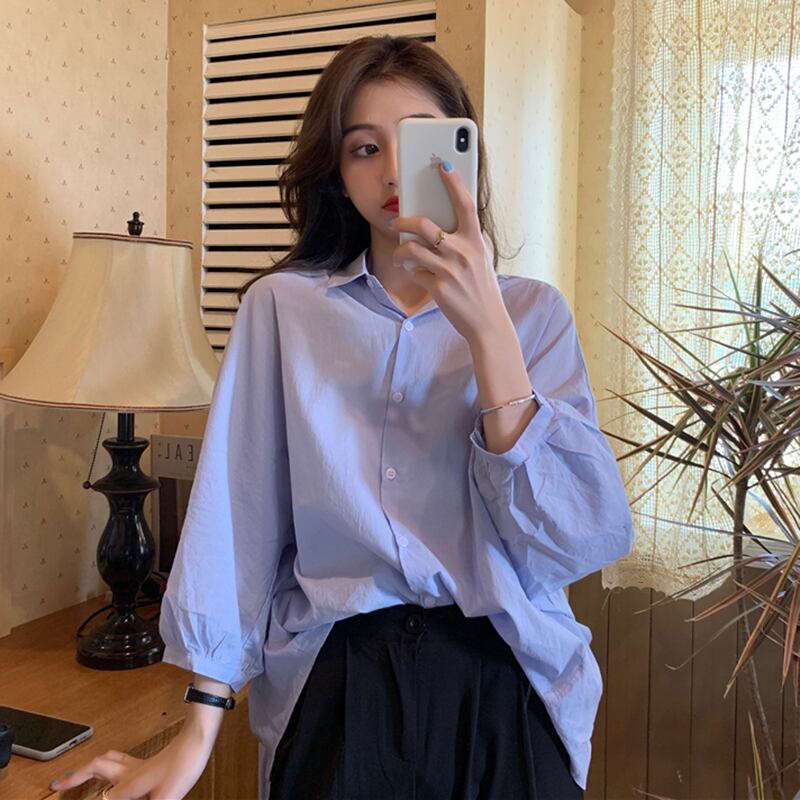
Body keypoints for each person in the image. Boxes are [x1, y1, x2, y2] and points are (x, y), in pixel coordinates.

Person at [51, 34, 633, 800]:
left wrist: (490, 334)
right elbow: (239, 518)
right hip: (342, 681)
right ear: (337, 170)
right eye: (364, 148)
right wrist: (196, 733)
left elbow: (578, 540)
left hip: (505, 675)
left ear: (462, 154)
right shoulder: (281, 310)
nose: (392, 172)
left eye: (418, 143)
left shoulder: (533, 315)